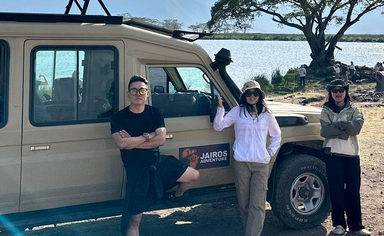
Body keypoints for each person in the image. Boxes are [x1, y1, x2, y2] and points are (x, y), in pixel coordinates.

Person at [112, 75, 200, 236]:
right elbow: (121, 144)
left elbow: (160, 140)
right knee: (134, 221)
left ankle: (176, 196)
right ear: (128, 94)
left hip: (157, 163)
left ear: (147, 94)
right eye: (134, 90)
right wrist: (146, 136)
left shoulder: (154, 113)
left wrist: (134, 141)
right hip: (136, 171)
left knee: (193, 175)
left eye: (142, 90)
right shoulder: (119, 117)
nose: (138, 93)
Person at [214, 80, 282, 236]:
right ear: (244, 95)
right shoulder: (237, 111)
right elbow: (219, 126)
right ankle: (249, 230)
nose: (252, 96)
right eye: (249, 93)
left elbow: (277, 135)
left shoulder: (267, 114)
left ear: (260, 95)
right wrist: (220, 108)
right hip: (242, 163)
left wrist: (270, 152)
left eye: (255, 93)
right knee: (244, 203)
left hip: (261, 164)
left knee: (257, 205)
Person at [320, 79, 368, 236]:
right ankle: (339, 224)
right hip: (333, 155)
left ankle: (356, 226)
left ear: (346, 92)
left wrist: (338, 127)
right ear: (330, 93)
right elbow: (325, 131)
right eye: (335, 91)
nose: (338, 93)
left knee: (353, 191)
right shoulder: (326, 110)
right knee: (337, 191)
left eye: (341, 90)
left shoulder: (355, 109)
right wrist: (345, 129)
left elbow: (356, 128)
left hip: (352, 155)